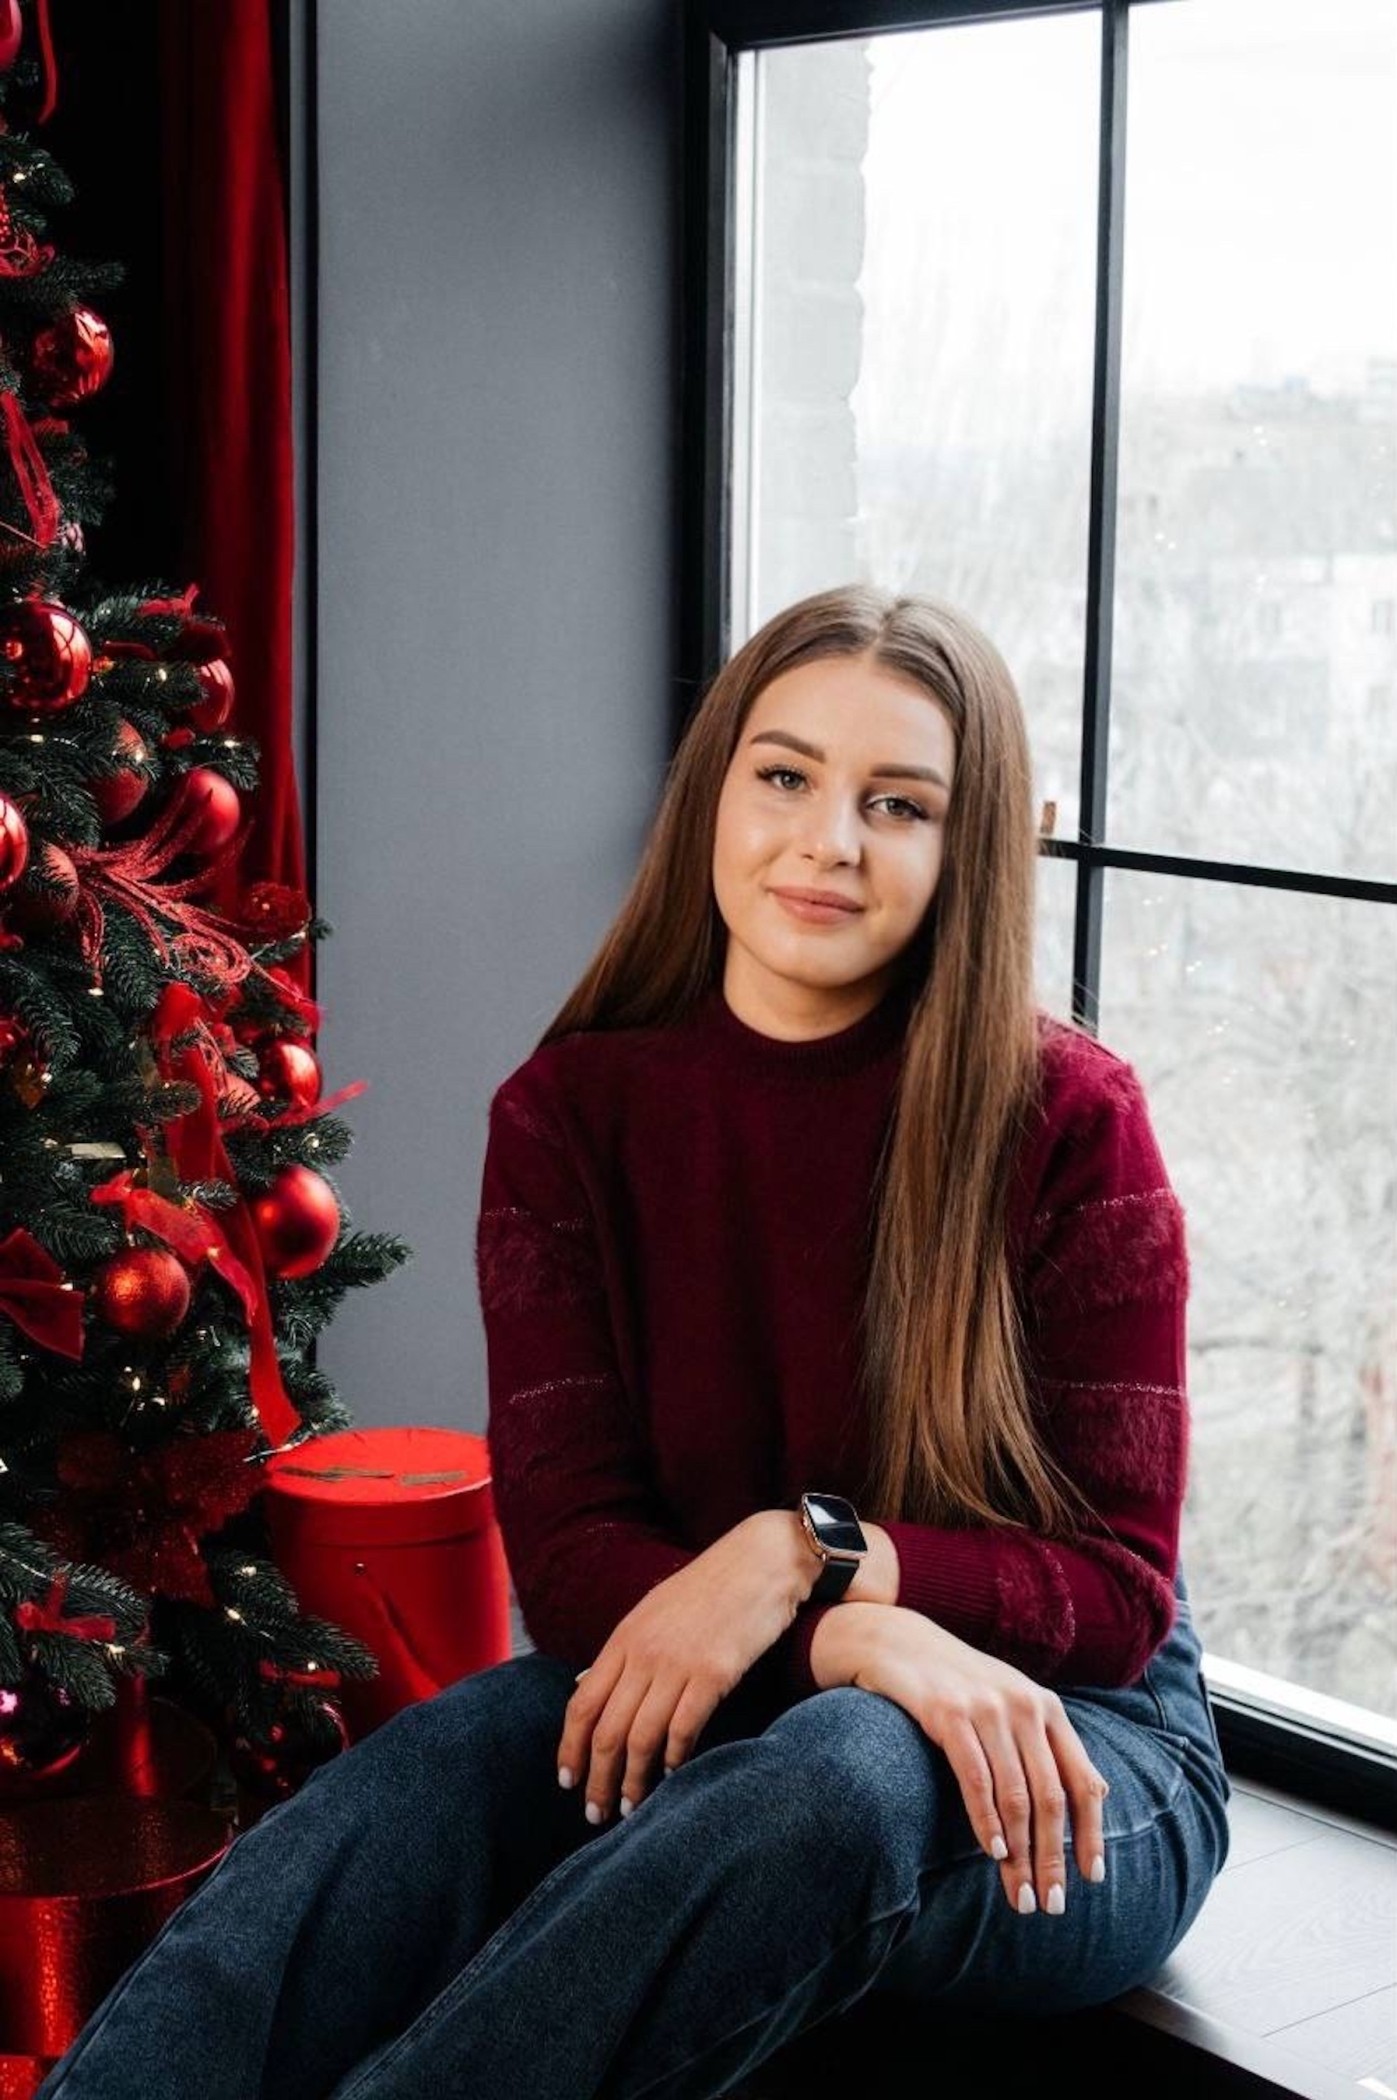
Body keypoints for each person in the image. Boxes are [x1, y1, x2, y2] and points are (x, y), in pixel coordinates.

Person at [38, 583, 1231, 2100]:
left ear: (965, 845)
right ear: (713, 790)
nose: (829, 841)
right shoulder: (572, 1117)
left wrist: (821, 1565)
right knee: (435, 1774)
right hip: (732, 1677)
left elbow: (1117, 1598)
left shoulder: (1067, 1118)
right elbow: (578, 1567)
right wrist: (838, 1626)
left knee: (844, 1770)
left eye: (899, 804)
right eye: (785, 775)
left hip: (1064, 1749)